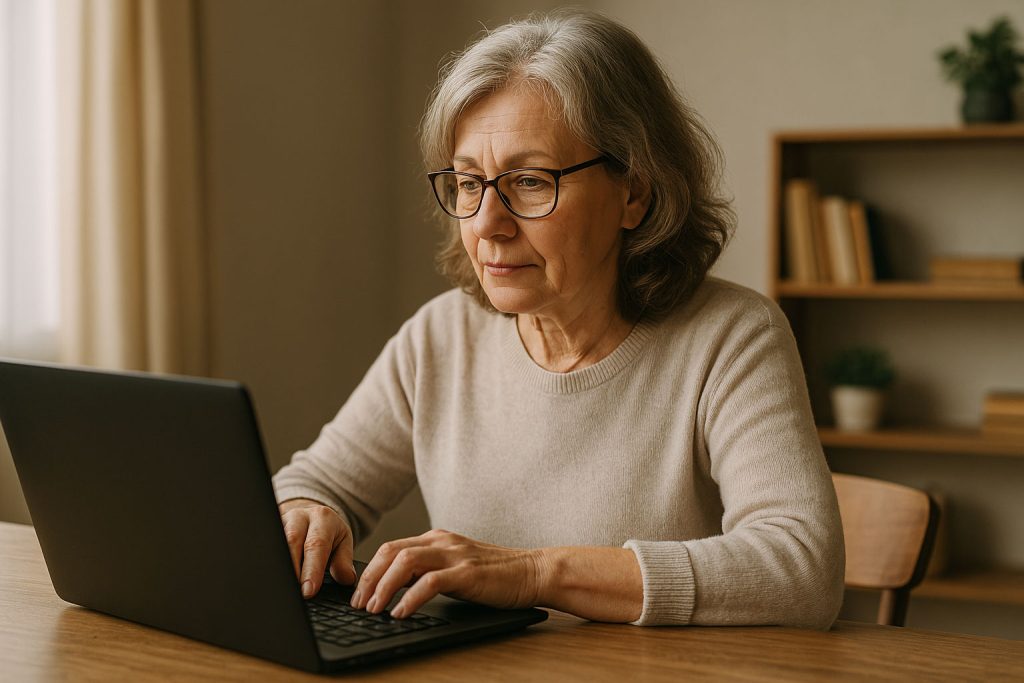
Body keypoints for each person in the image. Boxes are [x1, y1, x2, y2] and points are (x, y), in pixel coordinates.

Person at [273, 9, 844, 628]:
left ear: (634, 192)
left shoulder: (732, 337)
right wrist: (307, 511)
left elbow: (801, 568)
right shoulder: (441, 336)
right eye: (468, 182)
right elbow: (314, 482)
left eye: (529, 181)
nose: (487, 223)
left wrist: (535, 574)